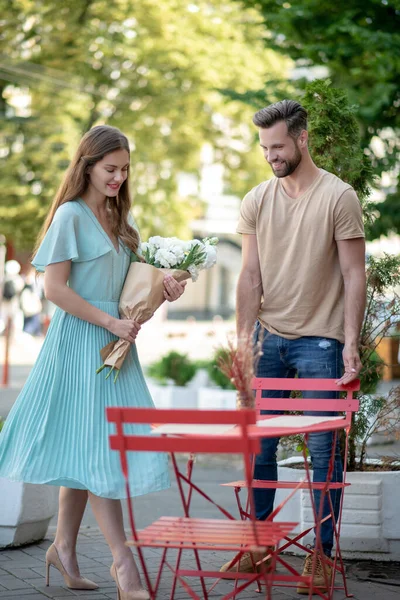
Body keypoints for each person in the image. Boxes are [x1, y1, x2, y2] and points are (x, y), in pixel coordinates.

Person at [0, 125, 186, 600]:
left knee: (88, 451)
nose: (119, 178)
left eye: (124, 169)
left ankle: (63, 548)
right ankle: (124, 565)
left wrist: (165, 291)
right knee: (100, 451)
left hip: (115, 348)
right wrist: (108, 322)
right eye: (110, 168)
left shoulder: (121, 221)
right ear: (87, 165)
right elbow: (55, 290)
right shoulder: (71, 215)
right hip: (79, 344)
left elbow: (131, 299)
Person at [220, 100, 366, 594]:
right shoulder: (258, 199)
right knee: (258, 446)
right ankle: (260, 547)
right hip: (269, 339)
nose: (270, 156)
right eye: (264, 147)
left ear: (302, 139)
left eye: (278, 146)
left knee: (324, 451)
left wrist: (349, 344)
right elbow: (250, 275)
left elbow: (353, 274)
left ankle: (321, 556)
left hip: (321, 342)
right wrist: (243, 344)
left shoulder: (338, 197)